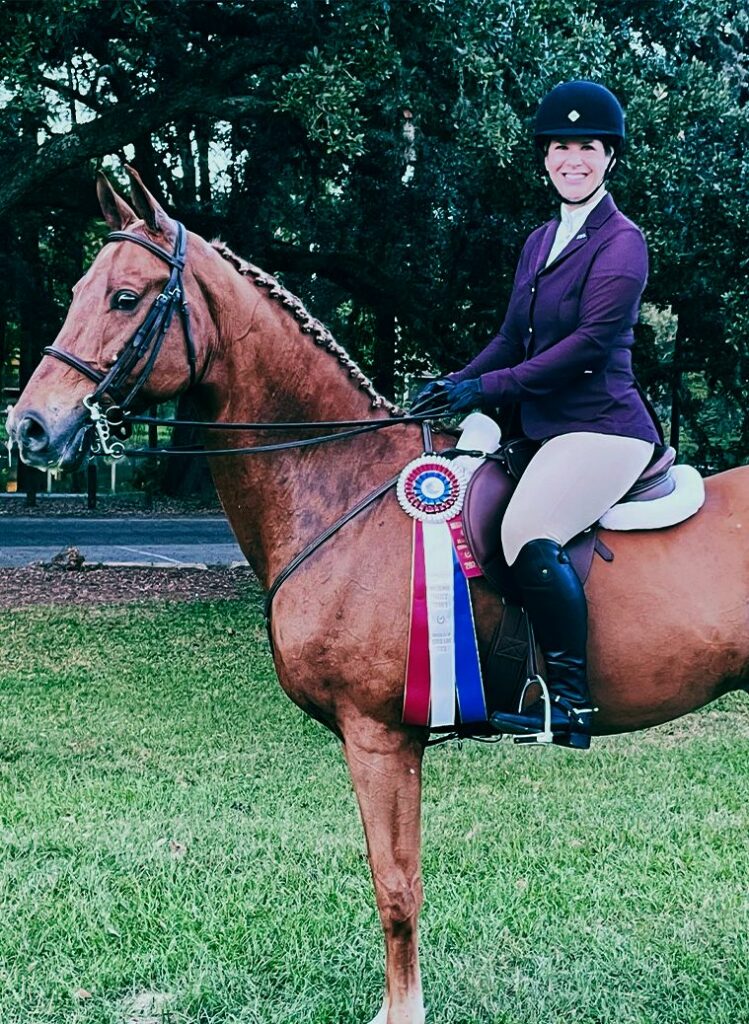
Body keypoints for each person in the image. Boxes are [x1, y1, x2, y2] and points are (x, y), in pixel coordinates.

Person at [415, 81, 662, 749]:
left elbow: (584, 347)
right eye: (560, 147)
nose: (571, 159)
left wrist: (490, 387)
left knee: (526, 527)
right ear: (544, 158)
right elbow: (511, 336)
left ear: (608, 157)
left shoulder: (621, 242)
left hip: (600, 425)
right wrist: (456, 383)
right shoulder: (539, 239)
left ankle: (571, 703)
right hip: (540, 424)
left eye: (586, 147)